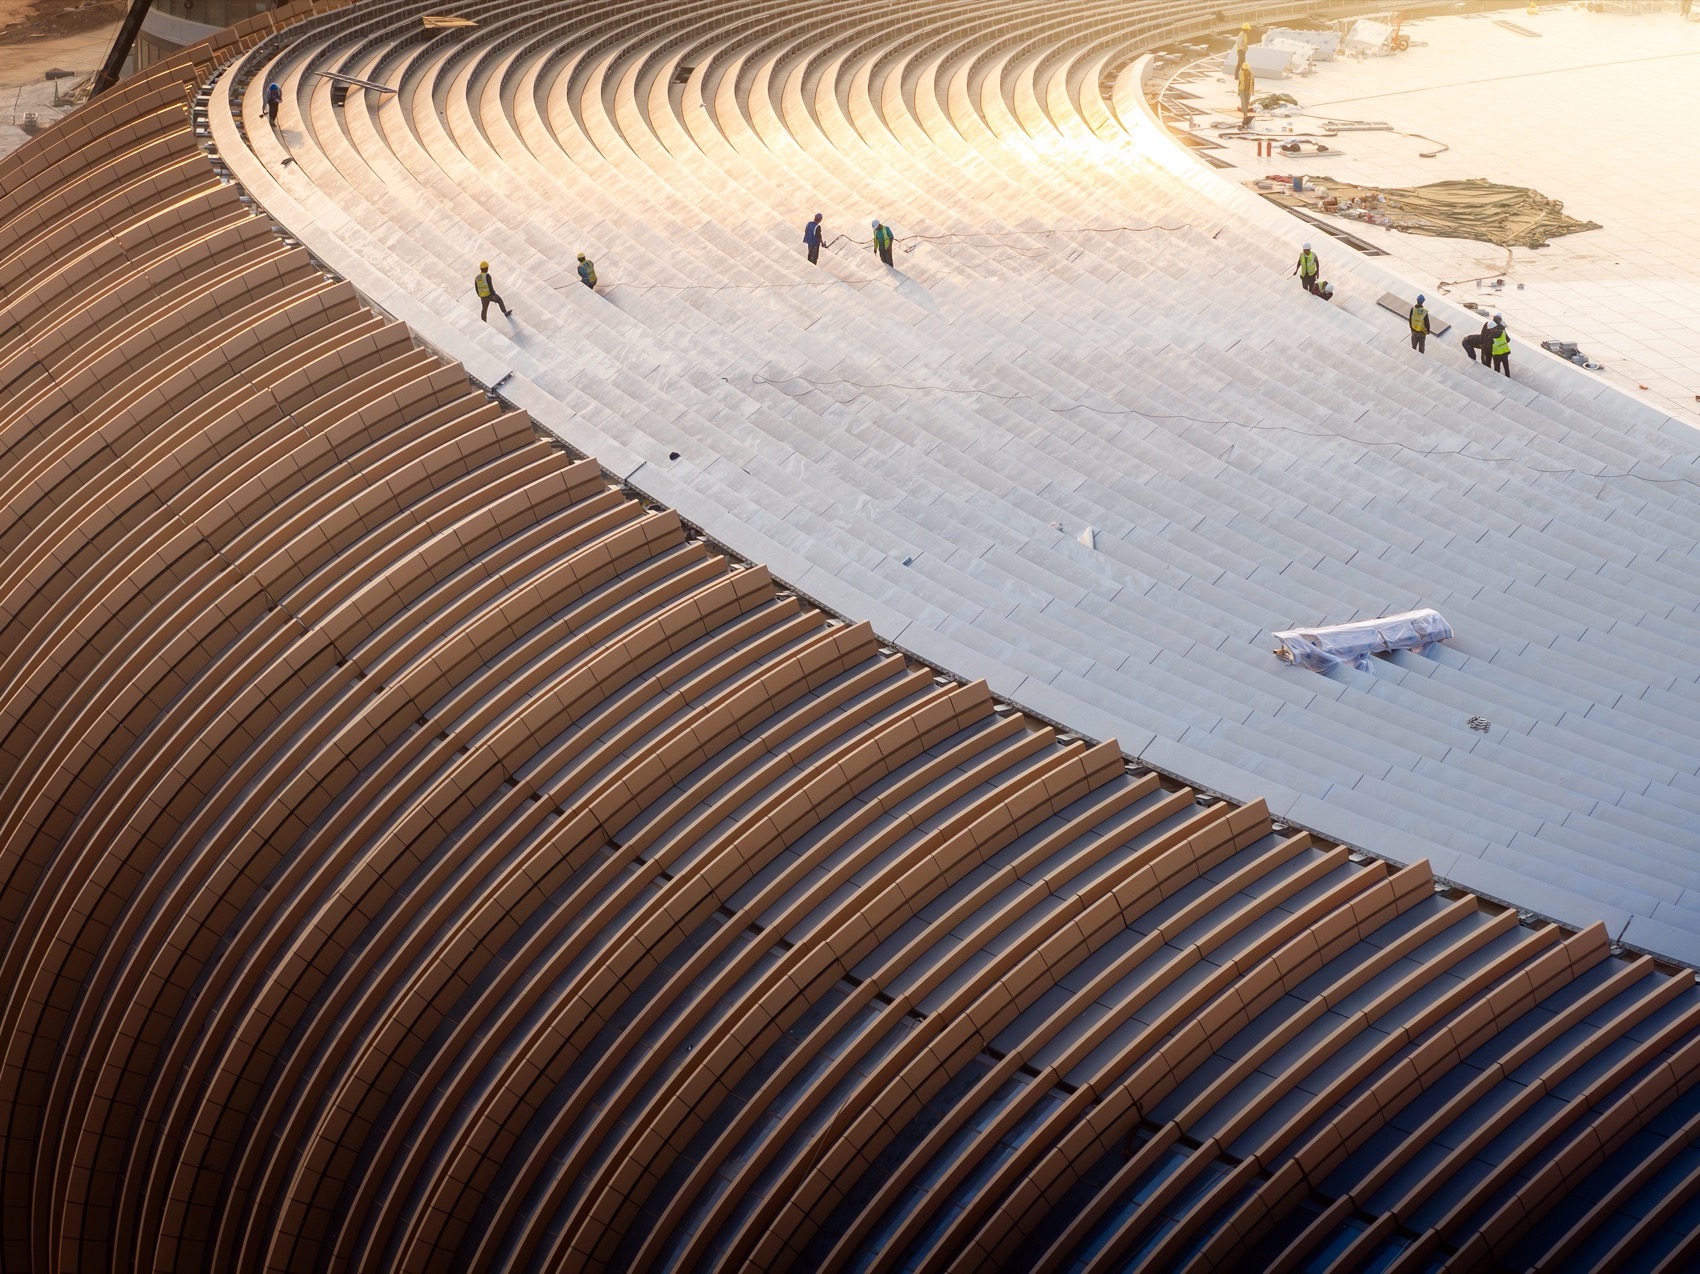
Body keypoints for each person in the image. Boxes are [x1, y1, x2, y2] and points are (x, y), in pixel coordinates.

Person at [1237, 59, 1255, 128]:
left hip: (1248, 90)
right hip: (1242, 90)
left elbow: (1253, 82)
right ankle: (1245, 114)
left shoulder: (1251, 74)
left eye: (1247, 69)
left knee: (1247, 102)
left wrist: (1253, 90)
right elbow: (1239, 82)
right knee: (1243, 102)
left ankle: (1245, 112)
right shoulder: (1241, 74)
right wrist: (1238, 91)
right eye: (1245, 69)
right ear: (1243, 69)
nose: (1246, 70)